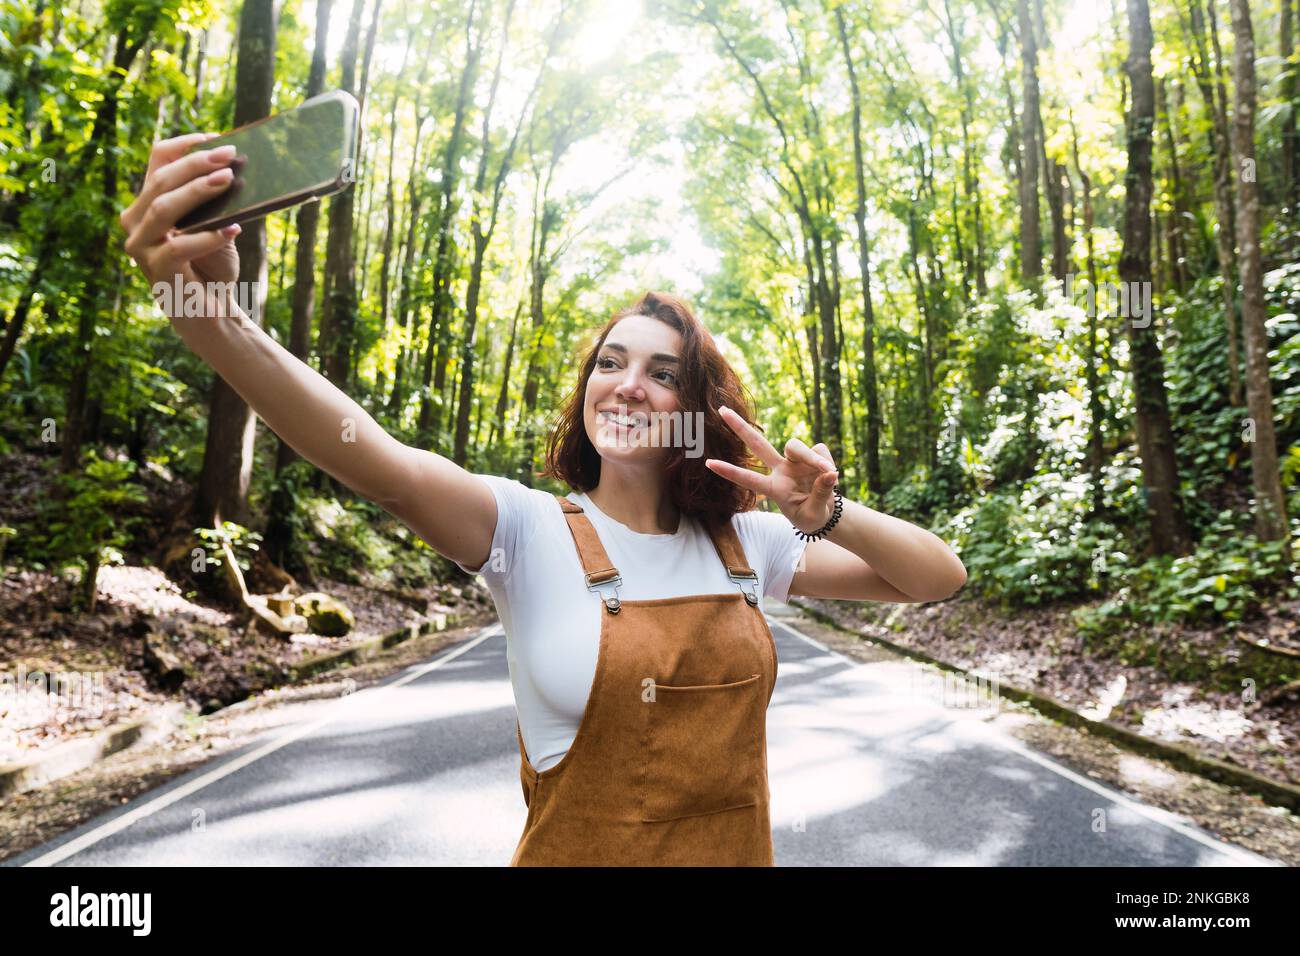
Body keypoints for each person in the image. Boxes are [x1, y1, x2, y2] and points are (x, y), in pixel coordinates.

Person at [120, 132, 969, 867]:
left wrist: (825, 516)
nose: (627, 386)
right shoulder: (523, 530)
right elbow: (375, 458)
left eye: (662, 373)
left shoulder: (750, 543)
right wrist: (212, 319)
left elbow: (937, 577)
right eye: (609, 363)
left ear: (703, 413)